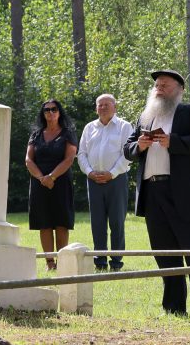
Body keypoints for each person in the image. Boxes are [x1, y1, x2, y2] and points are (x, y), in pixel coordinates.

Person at [124, 69, 190, 316]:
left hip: (185, 193)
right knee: (164, 253)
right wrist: (138, 146)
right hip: (153, 192)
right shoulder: (146, 116)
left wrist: (173, 142)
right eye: (157, 84)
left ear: (179, 89)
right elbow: (128, 148)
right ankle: (174, 308)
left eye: (165, 84)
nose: (159, 87)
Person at [78, 93, 133, 271]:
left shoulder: (124, 127)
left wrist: (112, 173)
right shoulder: (89, 128)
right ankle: (100, 261)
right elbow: (81, 154)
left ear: (115, 107)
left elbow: (128, 154)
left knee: (117, 222)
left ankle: (116, 262)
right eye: (100, 105)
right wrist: (89, 172)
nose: (103, 107)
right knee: (97, 223)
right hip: (93, 181)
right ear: (96, 108)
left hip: (116, 180)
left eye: (106, 105)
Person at [25, 99, 78, 271]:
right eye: (46, 110)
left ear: (59, 112)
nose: (50, 112)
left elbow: (69, 158)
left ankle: (62, 262)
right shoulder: (36, 134)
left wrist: (52, 177)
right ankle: (50, 263)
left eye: (54, 109)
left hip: (60, 182)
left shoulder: (68, 133)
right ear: (43, 113)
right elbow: (28, 160)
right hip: (40, 183)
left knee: (61, 222)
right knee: (44, 223)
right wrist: (42, 178)